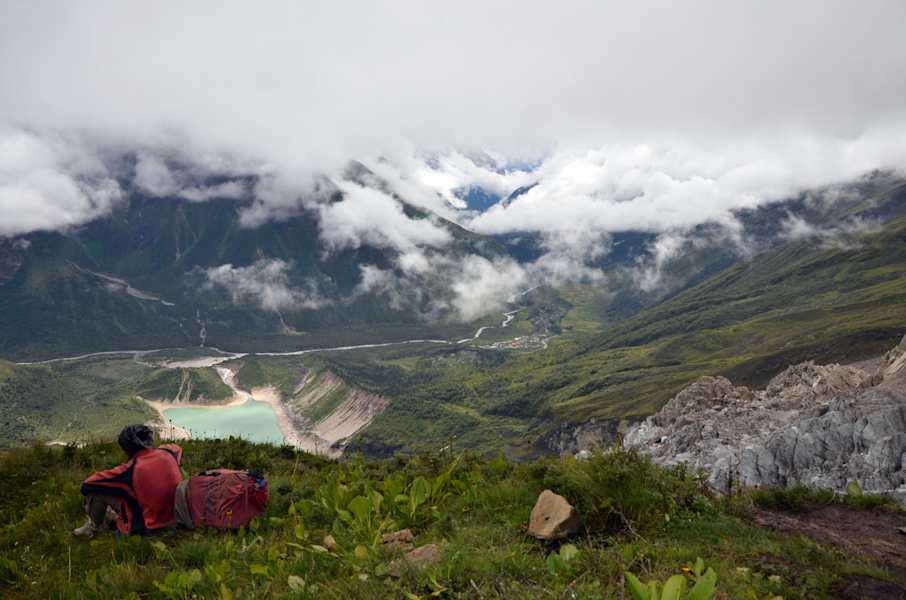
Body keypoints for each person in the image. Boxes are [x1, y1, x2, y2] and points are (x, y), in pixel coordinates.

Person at [74, 424, 183, 537]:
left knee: (97, 492)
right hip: (175, 519)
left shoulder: (129, 471)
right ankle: (110, 515)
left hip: (145, 529)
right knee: (129, 490)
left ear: (126, 449)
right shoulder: (170, 454)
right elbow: (178, 448)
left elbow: (88, 484)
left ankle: (94, 527)